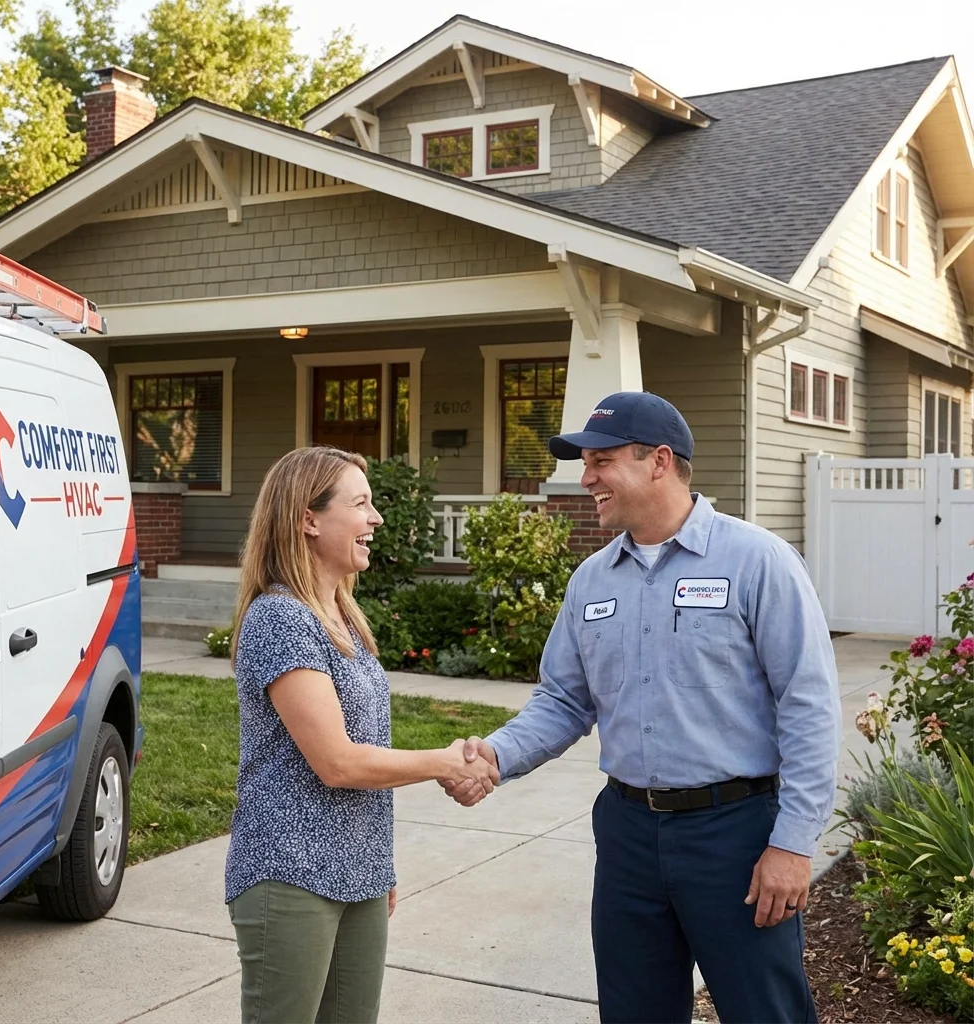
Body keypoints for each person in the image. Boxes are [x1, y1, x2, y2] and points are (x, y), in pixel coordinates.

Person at [444, 391, 842, 1024]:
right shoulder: (593, 580)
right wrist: (496, 754)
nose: (587, 478)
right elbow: (564, 700)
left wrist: (793, 844)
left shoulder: (758, 562)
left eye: (601, 461)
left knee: (765, 1011)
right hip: (629, 835)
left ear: (658, 461)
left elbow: (810, 707)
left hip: (735, 835)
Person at [224, 446, 498, 1024]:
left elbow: (364, 743)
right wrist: (446, 762)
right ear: (308, 518)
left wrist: (379, 866)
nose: (375, 518)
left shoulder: (343, 615)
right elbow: (338, 763)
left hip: (359, 872)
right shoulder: (281, 617)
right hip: (291, 872)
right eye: (361, 504)